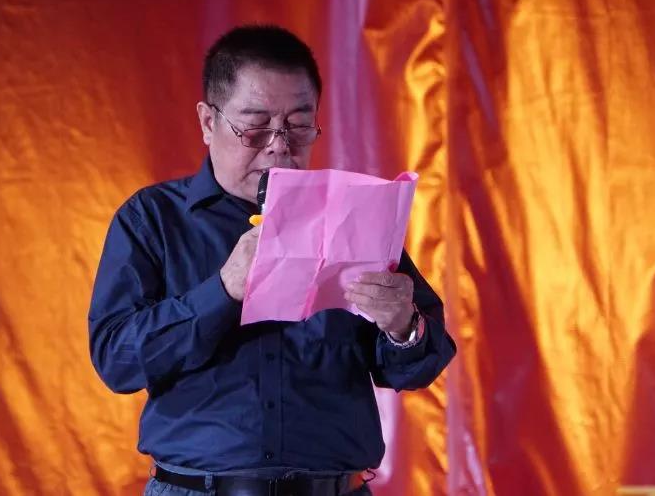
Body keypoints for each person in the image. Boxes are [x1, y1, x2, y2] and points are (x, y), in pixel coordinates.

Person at [88, 24, 456, 496]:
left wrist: (403, 326)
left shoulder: (355, 213)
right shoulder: (152, 218)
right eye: (255, 125)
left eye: (298, 125)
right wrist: (223, 289)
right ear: (208, 122)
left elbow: (417, 367)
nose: (279, 144)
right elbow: (117, 361)